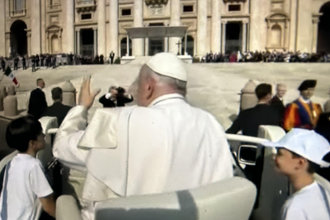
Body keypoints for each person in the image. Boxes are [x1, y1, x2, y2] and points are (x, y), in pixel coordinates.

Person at [53, 53, 234, 219]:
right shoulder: (212, 124)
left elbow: (61, 148)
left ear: (148, 87)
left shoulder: (117, 120)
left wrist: (81, 107)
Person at [262, 129, 330, 220]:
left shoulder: (294, 207)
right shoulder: (322, 191)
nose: (274, 157)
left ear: (300, 163)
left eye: (280, 154)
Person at [0, 116, 56, 219]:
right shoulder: (33, 165)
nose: (44, 135)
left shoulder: (10, 164)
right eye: (40, 133)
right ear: (32, 143)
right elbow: (47, 204)